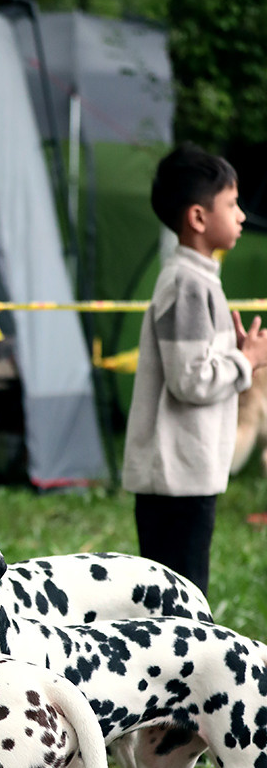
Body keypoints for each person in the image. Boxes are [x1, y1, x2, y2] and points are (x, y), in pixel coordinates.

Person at [122, 143, 267, 594]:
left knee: (179, 592)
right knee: (181, 598)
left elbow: (196, 364)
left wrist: (235, 352)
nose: (242, 215)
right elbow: (191, 380)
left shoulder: (198, 280)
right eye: (232, 204)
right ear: (199, 218)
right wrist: (246, 361)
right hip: (176, 482)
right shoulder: (187, 285)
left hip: (185, 475)